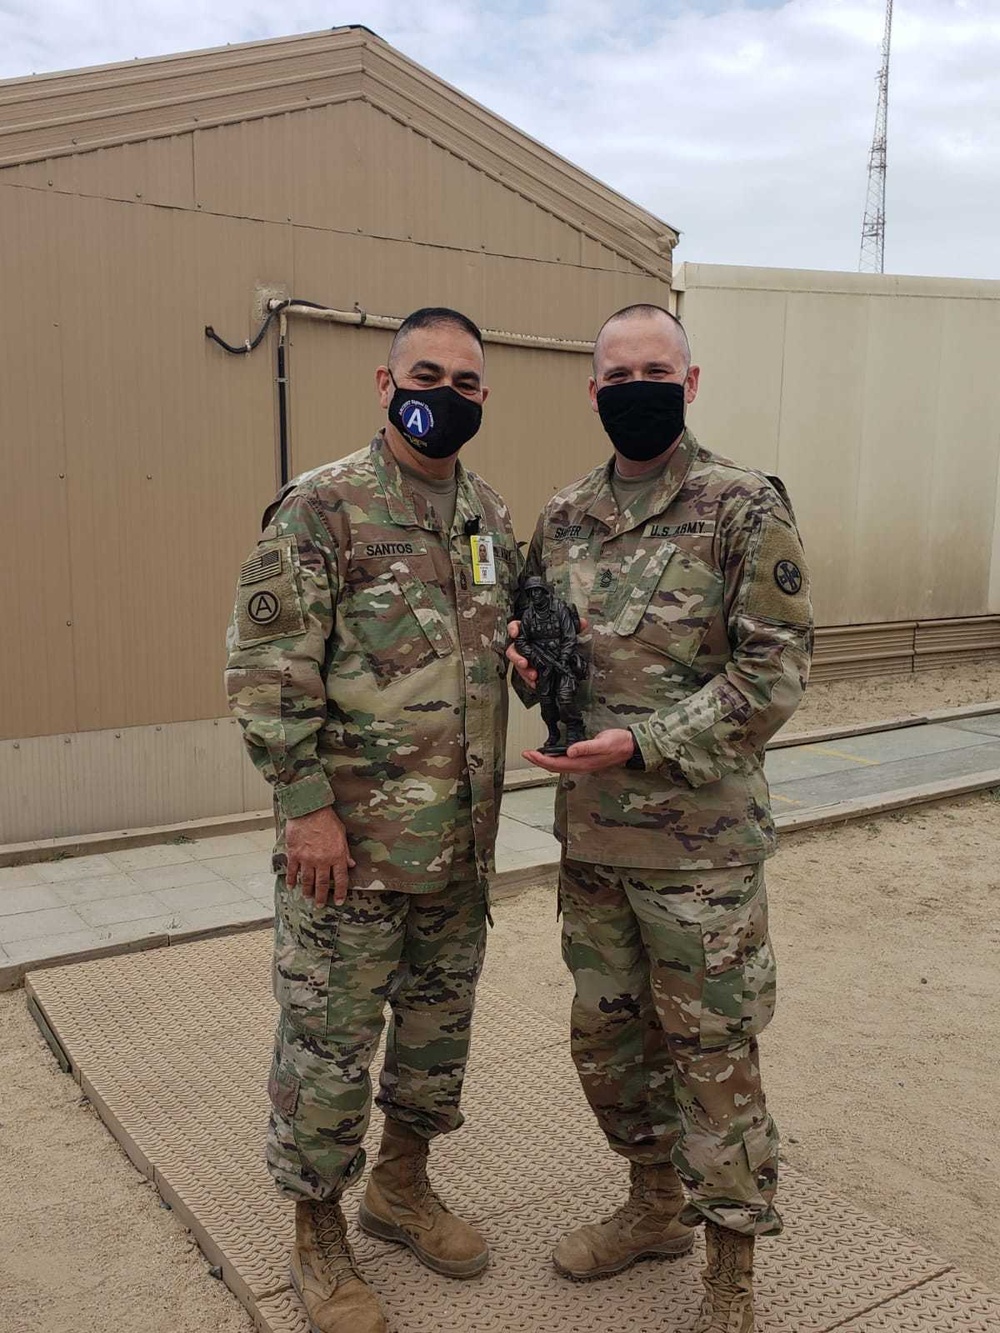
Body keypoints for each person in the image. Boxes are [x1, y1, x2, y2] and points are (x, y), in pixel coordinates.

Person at [507, 304, 812, 1333]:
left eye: (656, 368)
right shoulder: (561, 516)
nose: (636, 384)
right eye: (617, 371)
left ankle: (731, 1263)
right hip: (594, 845)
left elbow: (772, 675)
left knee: (712, 1055)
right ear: (592, 389)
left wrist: (642, 743)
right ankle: (653, 1203)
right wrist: (525, 669)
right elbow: (543, 648)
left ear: (689, 381)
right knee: (608, 1045)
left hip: (701, 856)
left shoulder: (742, 506)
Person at [226, 307, 519, 1333]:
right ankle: (316, 1234)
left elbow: (498, 650)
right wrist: (306, 813)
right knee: (328, 1047)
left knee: (436, 1040)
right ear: (385, 380)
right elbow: (266, 677)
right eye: (426, 373)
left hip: (459, 849)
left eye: (466, 382)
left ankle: (400, 1188)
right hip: (344, 855)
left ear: (485, 396)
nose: (445, 393)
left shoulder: (487, 514)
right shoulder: (322, 507)